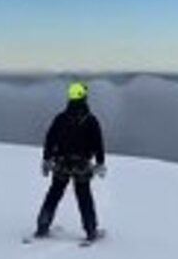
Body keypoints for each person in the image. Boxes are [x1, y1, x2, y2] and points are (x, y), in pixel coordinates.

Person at [34, 81, 105, 241]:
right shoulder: (91, 120)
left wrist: (47, 159)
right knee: (84, 197)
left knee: (54, 195)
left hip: (61, 164)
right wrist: (100, 163)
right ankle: (91, 230)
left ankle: (42, 225)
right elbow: (98, 143)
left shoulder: (60, 119)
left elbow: (50, 139)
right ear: (84, 97)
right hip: (82, 166)